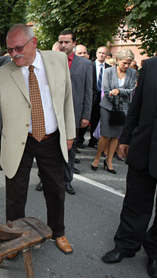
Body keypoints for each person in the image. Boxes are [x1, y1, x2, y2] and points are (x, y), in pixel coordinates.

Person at [0, 23, 76, 255]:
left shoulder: (58, 61)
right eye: (9, 49)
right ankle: (14, 237)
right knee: (15, 194)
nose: (13, 54)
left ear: (33, 43)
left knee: (56, 189)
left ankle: (58, 231)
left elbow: (67, 99)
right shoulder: (1, 75)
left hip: (52, 138)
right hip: (19, 140)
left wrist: (70, 133)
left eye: (18, 48)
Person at [101, 52, 157, 278]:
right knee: (135, 201)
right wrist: (126, 138)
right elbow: (136, 104)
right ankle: (126, 245)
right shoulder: (152, 66)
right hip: (144, 146)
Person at [55, 30, 93, 195]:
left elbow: (88, 91)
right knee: (49, 150)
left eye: (67, 42)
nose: (63, 45)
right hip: (53, 114)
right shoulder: (52, 62)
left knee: (69, 150)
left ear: (74, 43)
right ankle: (45, 179)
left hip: (74, 114)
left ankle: (66, 181)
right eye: (61, 42)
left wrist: (86, 116)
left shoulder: (85, 65)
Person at [91, 49, 137, 174]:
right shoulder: (108, 71)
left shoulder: (132, 73)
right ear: (118, 60)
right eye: (124, 63)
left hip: (123, 108)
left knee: (116, 135)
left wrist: (118, 91)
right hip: (108, 106)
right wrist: (116, 93)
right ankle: (97, 158)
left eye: (129, 63)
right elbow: (106, 90)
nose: (126, 66)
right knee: (105, 134)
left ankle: (109, 161)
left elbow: (131, 90)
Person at [80, 46, 112, 148]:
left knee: (97, 119)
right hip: (90, 95)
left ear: (106, 55)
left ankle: (93, 141)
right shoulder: (90, 65)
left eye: (104, 53)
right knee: (85, 117)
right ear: (96, 54)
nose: (101, 55)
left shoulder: (109, 68)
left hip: (103, 97)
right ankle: (80, 140)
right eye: (100, 53)